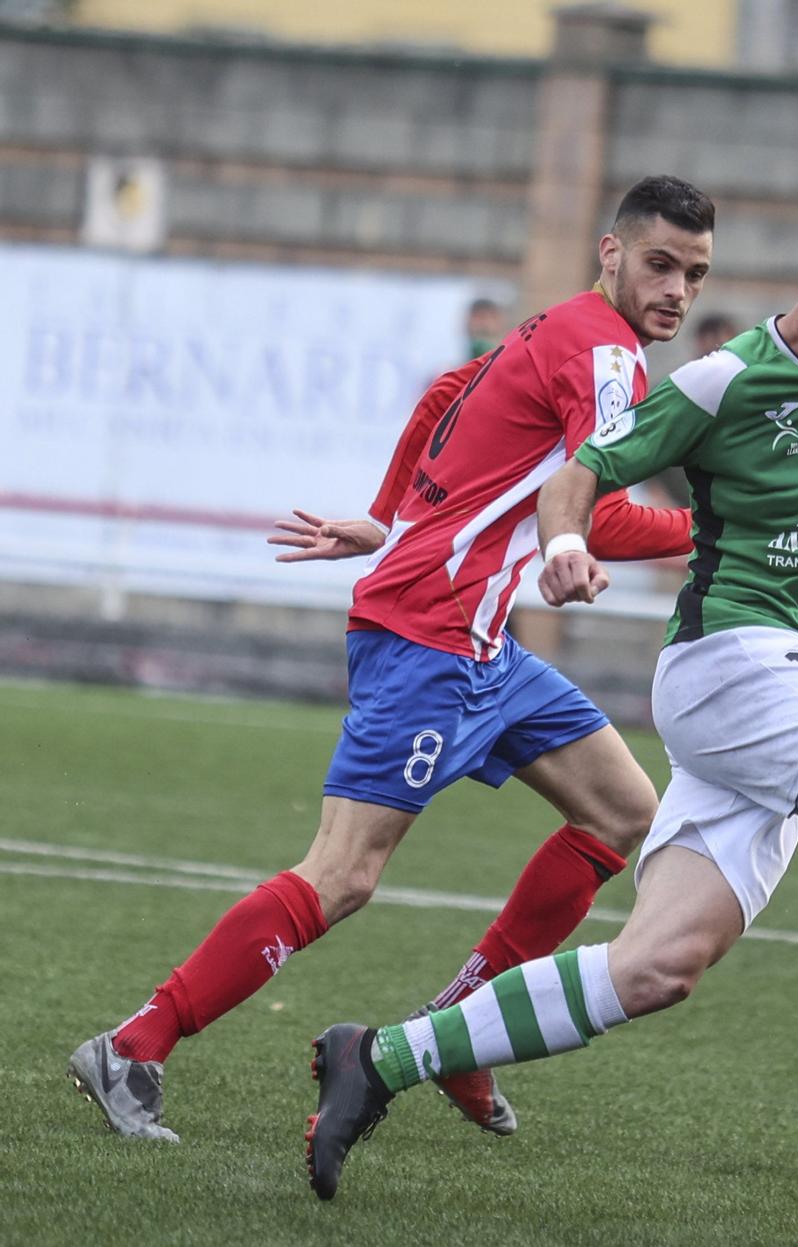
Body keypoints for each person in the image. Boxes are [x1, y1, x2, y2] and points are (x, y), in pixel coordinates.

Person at [301, 178, 798, 1202]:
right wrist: (560, 545)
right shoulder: (722, 383)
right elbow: (581, 472)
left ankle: (375, 1059)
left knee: (655, 967)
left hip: (789, 678)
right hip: (731, 665)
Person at [66, 176, 714, 1144]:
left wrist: (388, 513)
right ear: (610, 253)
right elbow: (595, 509)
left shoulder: (560, 327)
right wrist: (712, 529)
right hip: (429, 636)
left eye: (694, 274)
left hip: (478, 645)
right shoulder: (608, 355)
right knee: (342, 875)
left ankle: (458, 1035)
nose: (676, 289)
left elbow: (450, 394)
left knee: (623, 811)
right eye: (658, 264)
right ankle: (134, 1045)